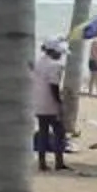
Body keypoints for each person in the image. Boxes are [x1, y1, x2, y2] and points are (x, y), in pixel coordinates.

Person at [30, 39, 69, 171]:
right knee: (59, 132)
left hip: (38, 102)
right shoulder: (55, 66)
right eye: (60, 53)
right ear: (54, 52)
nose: (61, 55)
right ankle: (59, 162)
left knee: (43, 132)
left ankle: (42, 163)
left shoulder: (38, 63)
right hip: (50, 104)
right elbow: (54, 86)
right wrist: (59, 103)